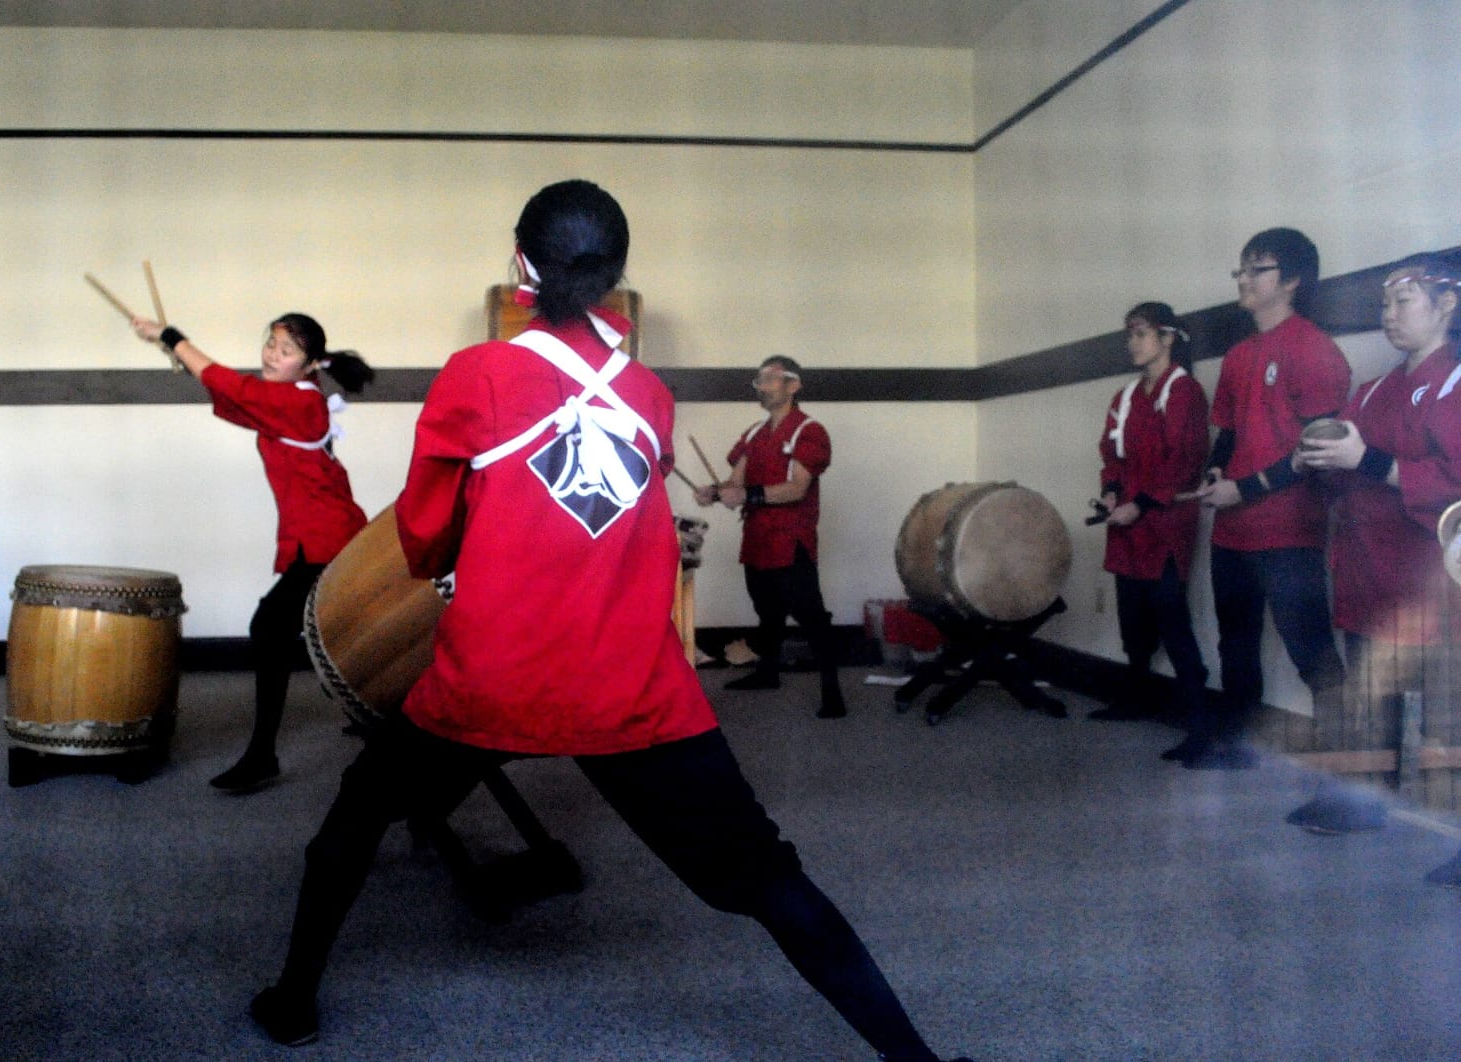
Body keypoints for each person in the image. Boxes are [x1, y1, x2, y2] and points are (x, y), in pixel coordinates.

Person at [248, 180, 968, 1062]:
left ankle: (292, 1002)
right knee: (770, 878)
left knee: (351, 828)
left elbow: (425, 532)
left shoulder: (476, 375)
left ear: (521, 264)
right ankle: (922, 1061)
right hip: (630, 688)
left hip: (492, 677)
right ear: (617, 277)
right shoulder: (651, 398)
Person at [129, 311, 374, 792]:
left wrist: (176, 338)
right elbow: (233, 401)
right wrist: (174, 352)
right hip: (321, 535)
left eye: (286, 351)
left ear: (309, 366)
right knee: (339, 630)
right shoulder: (287, 401)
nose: (271, 355)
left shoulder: (299, 404)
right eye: (271, 343)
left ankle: (263, 755)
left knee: (269, 627)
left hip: (327, 539)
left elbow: (238, 391)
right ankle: (380, 716)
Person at [1285, 253, 1461, 835]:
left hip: (1432, 581)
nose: (1388, 314)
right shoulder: (1374, 389)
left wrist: (1371, 460)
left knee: (1448, 714)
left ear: (1446, 304)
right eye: (1383, 303)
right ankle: (1363, 804)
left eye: (1402, 301)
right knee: (1370, 702)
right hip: (1368, 572)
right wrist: (1314, 458)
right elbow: (1345, 469)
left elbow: (1452, 483)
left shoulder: (1456, 383)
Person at [1184, 228, 1350, 770]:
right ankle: (1236, 743)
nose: (1244, 279)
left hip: (1288, 530)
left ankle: (1348, 771)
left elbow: (1316, 451)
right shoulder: (1238, 355)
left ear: (1294, 280)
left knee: (1311, 653)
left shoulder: (1315, 350)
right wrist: (1215, 473)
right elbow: (1228, 432)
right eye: (1241, 269)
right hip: (1233, 530)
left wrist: (1246, 488)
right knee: (1236, 643)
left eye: (1259, 269)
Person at [692, 355, 847, 719]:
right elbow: (737, 483)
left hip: (791, 539)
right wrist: (714, 492)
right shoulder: (754, 433)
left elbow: (797, 489)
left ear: (793, 385)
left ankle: (833, 691)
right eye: (759, 380)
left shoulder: (808, 431)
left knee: (810, 616)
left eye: (770, 379)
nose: (762, 385)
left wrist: (747, 496)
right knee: (767, 611)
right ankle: (767, 673)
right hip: (758, 536)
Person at [1091, 303, 1210, 730]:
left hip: (1164, 522)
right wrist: (1109, 492)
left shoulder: (1184, 392)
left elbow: (1182, 463)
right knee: (1132, 617)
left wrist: (1138, 504)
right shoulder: (1124, 397)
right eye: (1130, 334)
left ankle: (1198, 714)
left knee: (1170, 615)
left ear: (1167, 338)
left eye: (1141, 333)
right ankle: (1136, 697)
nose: (1132, 343)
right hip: (1125, 524)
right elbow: (1111, 452)